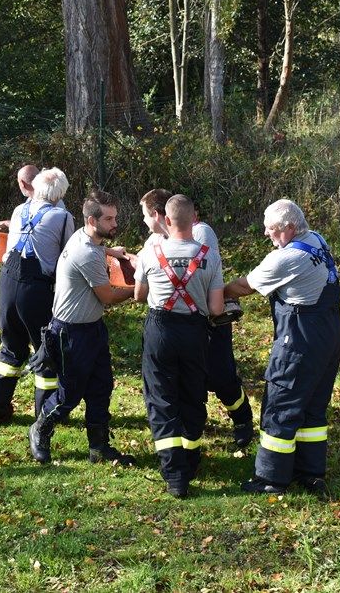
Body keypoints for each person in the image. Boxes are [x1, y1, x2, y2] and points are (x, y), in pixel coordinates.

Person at [224, 199, 340, 496]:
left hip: (299, 339)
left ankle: (271, 479)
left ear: (290, 228)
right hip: (328, 335)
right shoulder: (316, 239)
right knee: (313, 408)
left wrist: (219, 292)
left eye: (271, 229)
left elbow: (244, 286)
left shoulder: (285, 259)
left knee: (280, 405)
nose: (266, 234)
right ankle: (310, 473)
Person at [138, 189, 254, 449]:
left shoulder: (200, 233)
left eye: (145, 216)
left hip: (209, 322)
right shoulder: (155, 242)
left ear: (159, 216)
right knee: (182, 380)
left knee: (220, 377)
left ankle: (242, 419)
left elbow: (205, 271)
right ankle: (183, 434)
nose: (144, 222)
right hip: (180, 325)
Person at [28, 190, 135, 466]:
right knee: (70, 394)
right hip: (70, 333)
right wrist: (140, 291)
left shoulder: (89, 237)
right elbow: (109, 297)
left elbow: (97, 248)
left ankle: (98, 447)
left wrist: (112, 251)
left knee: (102, 387)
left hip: (93, 328)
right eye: (109, 219)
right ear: (91, 219)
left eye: (115, 217)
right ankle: (40, 429)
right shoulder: (85, 251)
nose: (114, 224)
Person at [134, 194, 225, 498]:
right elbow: (215, 308)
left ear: (167, 220)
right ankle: (191, 458)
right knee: (192, 392)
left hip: (160, 328)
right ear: (193, 219)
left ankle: (174, 474)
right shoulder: (209, 255)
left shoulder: (150, 251)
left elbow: (138, 295)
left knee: (160, 397)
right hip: (194, 331)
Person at [0, 168, 75, 423]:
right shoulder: (63, 216)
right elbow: (68, 254)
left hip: (8, 279)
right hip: (34, 287)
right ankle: (46, 413)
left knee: (11, 345)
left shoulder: (18, 211)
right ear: (61, 192)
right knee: (46, 349)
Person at [0, 165, 39, 233]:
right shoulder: (31, 199)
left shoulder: (43, 200)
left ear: (22, 183)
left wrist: (6, 223)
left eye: (18, 183)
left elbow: (34, 228)